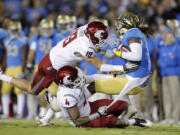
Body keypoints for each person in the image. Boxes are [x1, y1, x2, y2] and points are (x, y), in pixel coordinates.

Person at [0, 21, 108, 96]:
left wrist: (112, 50)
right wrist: (121, 67)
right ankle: (3, 77)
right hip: (53, 66)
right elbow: (99, 65)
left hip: (53, 60)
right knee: (33, 90)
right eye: (101, 35)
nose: (102, 38)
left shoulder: (85, 28)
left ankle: (47, 117)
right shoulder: (86, 46)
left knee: (71, 89)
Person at [79, 12, 151, 117]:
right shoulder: (130, 34)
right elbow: (112, 54)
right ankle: (130, 110)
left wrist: (117, 52)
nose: (118, 25)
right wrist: (100, 51)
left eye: (121, 23)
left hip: (134, 77)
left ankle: (77, 106)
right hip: (133, 76)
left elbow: (136, 56)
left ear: (127, 24)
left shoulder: (132, 34)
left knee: (95, 84)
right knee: (101, 80)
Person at [38, 66, 151, 127]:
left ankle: (109, 120)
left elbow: (94, 78)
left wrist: (115, 77)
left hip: (89, 107)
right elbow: (77, 121)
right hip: (84, 121)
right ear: (69, 83)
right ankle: (132, 122)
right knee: (113, 121)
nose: (81, 79)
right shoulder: (67, 96)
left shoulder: (72, 82)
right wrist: (98, 114)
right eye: (77, 79)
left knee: (121, 105)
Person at [0, 20, 28, 118]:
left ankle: (20, 113)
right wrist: (2, 68)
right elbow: (6, 56)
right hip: (9, 68)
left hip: (18, 67)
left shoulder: (23, 40)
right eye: (12, 30)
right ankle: (6, 113)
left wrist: (22, 71)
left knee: (19, 91)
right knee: (5, 91)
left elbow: (24, 57)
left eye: (15, 30)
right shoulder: (7, 40)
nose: (14, 32)